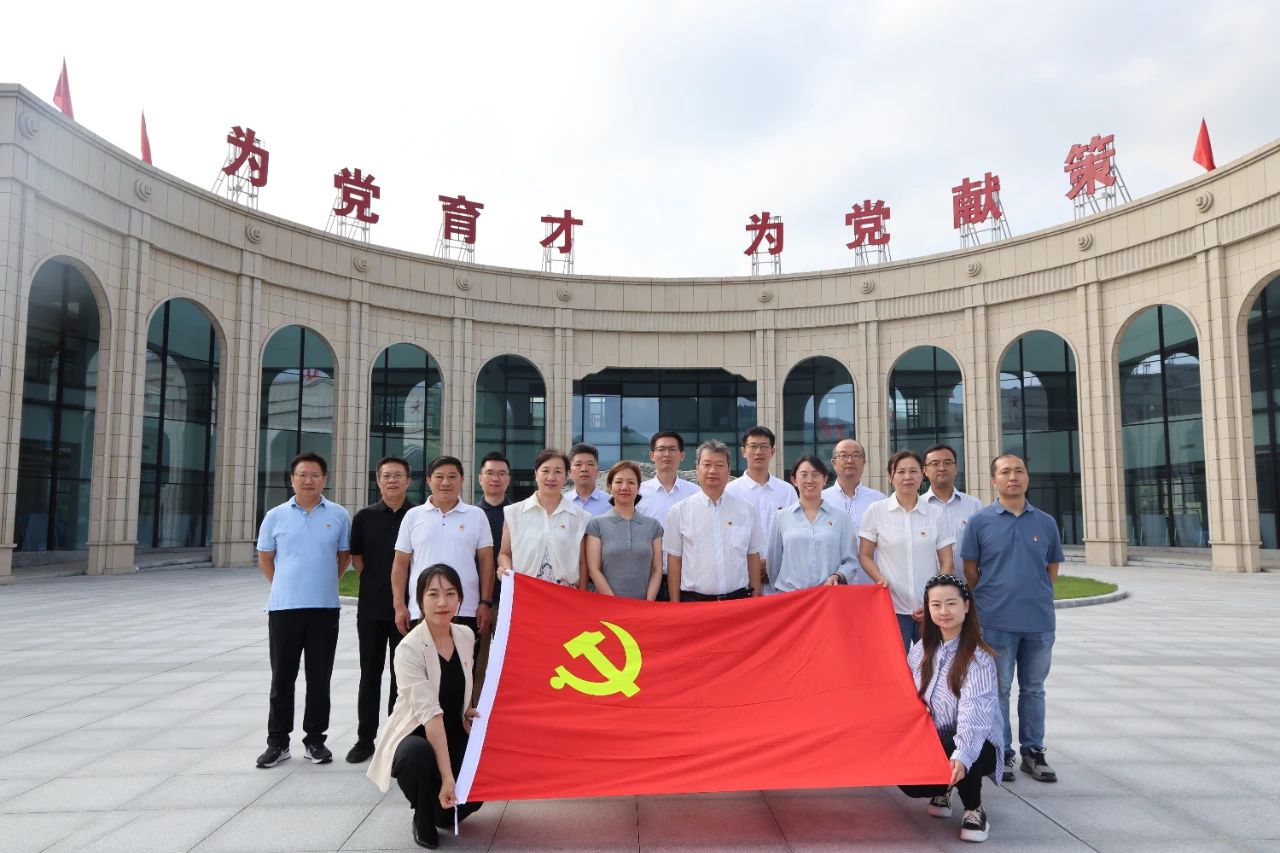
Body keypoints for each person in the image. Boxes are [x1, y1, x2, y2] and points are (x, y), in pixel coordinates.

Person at [960, 454, 1064, 785]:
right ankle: (1002, 751)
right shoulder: (980, 522)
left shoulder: (1045, 522)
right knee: (999, 689)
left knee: (1034, 689)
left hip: (1038, 622)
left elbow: (1051, 569)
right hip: (995, 621)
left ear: (1027, 477)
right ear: (994, 480)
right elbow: (971, 571)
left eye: (1019, 471)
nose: (1013, 477)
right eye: (1005, 472)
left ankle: (1033, 751)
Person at [368, 565, 483, 850]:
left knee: (481, 780)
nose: (442, 602)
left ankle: (439, 810)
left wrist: (467, 710)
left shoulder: (465, 635)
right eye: (433, 594)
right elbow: (431, 716)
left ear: (460, 599)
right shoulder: (409, 649)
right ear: (420, 600)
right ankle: (422, 816)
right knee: (416, 756)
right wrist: (448, 778)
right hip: (417, 732)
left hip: (453, 730)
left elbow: (461, 684)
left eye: (450, 594)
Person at [254, 451, 350, 768]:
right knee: (282, 677)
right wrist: (285, 584)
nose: (308, 480)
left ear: (324, 479)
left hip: (324, 609)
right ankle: (278, 742)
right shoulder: (275, 516)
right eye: (302, 475)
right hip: (284, 609)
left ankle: (315, 740)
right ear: (292, 479)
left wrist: (324, 582)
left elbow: (343, 557)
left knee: (320, 678)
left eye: (315, 475)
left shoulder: (338, 515)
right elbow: (266, 558)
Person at [897, 573, 1003, 844]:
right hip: (934, 739)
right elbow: (907, 698)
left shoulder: (978, 659)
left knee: (962, 743)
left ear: (966, 606)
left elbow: (974, 717)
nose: (943, 611)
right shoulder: (920, 651)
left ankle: (974, 808)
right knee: (909, 782)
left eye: (951, 603)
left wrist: (962, 756)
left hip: (977, 745)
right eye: (936, 605)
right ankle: (943, 788)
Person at [346, 456, 416, 765]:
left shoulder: (418, 515)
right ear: (378, 481)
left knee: (403, 677)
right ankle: (365, 740)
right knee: (370, 674)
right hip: (372, 608)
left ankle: (395, 738)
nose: (392, 481)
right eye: (386, 476)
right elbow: (358, 560)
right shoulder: (364, 517)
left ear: (408, 481)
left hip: (408, 609)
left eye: (398, 475)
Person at [857, 450, 955, 650]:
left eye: (913, 471)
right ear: (890, 476)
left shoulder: (935, 514)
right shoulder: (876, 511)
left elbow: (947, 562)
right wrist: (880, 579)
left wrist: (934, 599)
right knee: (895, 664)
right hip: (892, 607)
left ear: (922, 474)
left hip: (929, 609)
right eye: (901, 471)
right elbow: (865, 555)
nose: (908, 476)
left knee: (931, 663)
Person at [392, 457, 494, 639]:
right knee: (424, 657)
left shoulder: (476, 515)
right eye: (439, 477)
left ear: (462, 480)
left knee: (464, 657)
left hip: (466, 609)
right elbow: (400, 565)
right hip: (422, 609)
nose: (445, 482)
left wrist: (485, 603)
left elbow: (487, 564)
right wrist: (399, 605)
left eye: (452, 476)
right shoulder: (413, 516)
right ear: (429, 480)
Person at [665, 440, 764, 601]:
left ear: (728, 470)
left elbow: (752, 556)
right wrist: (675, 604)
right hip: (694, 602)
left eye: (719, 465)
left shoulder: (747, 511)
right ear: (697, 469)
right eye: (707, 464)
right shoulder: (679, 511)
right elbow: (674, 560)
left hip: (738, 600)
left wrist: (755, 598)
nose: (712, 471)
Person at [498, 449, 591, 587]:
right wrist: (506, 570)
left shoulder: (579, 517)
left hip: (566, 594)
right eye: (545, 471)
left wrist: (582, 596)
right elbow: (504, 553)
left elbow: (582, 563)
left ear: (566, 477)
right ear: (536, 474)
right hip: (526, 592)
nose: (551, 477)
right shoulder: (514, 513)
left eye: (558, 472)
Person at [765, 455, 858, 592]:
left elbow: (851, 562)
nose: (810, 480)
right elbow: (773, 565)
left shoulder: (841, 518)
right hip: (791, 596)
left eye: (815, 475)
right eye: (804, 475)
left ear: (825, 479)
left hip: (828, 596)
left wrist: (838, 576)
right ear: (794, 480)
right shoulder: (781, 518)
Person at [585, 461, 664, 600]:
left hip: (644, 606)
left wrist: (649, 601)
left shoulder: (653, 526)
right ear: (610, 487)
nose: (624, 487)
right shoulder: (596, 524)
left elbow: (657, 569)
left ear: (638, 487)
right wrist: (614, 603)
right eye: (618, 482)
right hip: (607, 605)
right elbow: (594, 569)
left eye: (631, 482)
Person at [637, 430, 699, 601]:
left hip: (686, 580)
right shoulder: (638, 493)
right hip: (646, 578)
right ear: (652, 455)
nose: (666, 454)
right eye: (661, 449)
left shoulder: (695, 493)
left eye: (672, 449)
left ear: (682, 455)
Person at [724, 427, 798, 563]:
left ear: (772, 452)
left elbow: (795, 532)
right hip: (743, 569)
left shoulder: (787, 491)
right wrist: (753, 563)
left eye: (764, 446)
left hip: (781, 568)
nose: (758, 452)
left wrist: (772, 562)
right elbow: (726, 535)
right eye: (753, 446)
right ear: (743, 451)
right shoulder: (730, 491)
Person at [922, 443, 983, 571]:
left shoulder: (974, 505)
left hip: (968, 582)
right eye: (935, 464)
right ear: (925, 471)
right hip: (928, 582)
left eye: (947, 463)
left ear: (956, 468)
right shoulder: (919, 506)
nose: (942, 468)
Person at [822, 438, 885, 539]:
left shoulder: (879, 500)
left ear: (864, 462)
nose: (850, 461)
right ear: (834, 463)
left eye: (856, 455)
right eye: (843, 456)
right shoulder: (821, 501)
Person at [566, 443, 611, 516]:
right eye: (578, 464)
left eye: (590, 464)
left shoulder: (611, 504)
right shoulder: (560, 503)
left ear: (597, 471)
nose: (584, 469)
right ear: (570, 471)